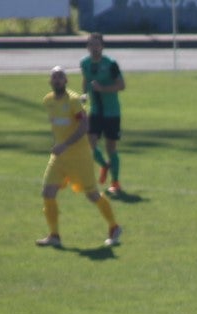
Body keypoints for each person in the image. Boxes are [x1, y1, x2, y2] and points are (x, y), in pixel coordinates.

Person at [36, 66, 123, 249]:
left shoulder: (73, 100)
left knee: (92, 195)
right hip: (59, 157)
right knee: (47, 193)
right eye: (54, 77)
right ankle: (54, 235)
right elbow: (59, 126)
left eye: (61, 77)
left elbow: (84, 126)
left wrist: (64, 145)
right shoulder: (48, 101)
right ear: (50, 81)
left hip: (79, 157)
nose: (58, 80)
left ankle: (114, 227)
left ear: (66, 81)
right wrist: (58, 145)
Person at [80, 33, 126, 196]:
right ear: (87, 47)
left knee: (111, 147)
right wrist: (84, 95)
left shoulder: (111, 64)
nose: (94, 48)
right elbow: (86, 80)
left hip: (112, 111)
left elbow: (121, 85)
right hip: (95, 111)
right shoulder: (84, 63)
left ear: (102, 46)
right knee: (90, 144)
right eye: (91, 45)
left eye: (97, 44)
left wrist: (102, 89)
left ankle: (115, 182)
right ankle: (105, 165)